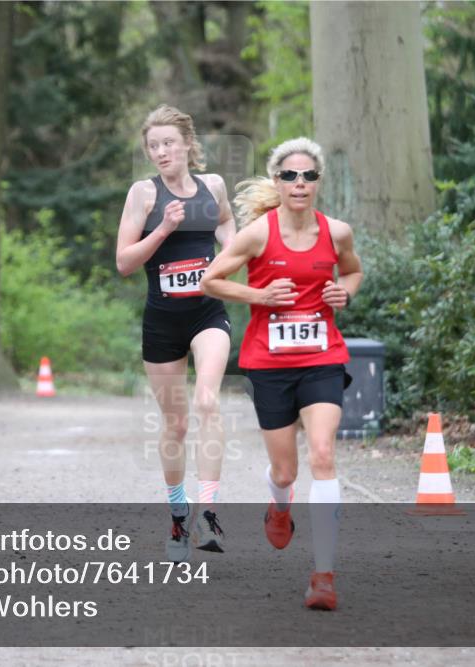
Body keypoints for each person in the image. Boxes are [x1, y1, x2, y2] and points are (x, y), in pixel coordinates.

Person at [200, 137, 363, 610]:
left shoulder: (337, 232)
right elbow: (211, 280)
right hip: (269, 363)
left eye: (308, 176)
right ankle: (280, 504)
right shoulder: (256, 234)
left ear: (318, 183)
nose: (299, 183)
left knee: (323, 454)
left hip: (322, 358)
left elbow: (352, 272)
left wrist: (344, 293)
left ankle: (324, 576)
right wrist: (260, 296)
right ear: (277, 180)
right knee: (285, 469)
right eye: (290, 175)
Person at [116, 105, 236, 561]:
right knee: (177, 422)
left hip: (207, 312)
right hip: (162, 321)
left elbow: (225, 221)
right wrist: (163, 229)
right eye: (153, 146)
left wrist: (231, 247)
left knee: (208, 400)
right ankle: (178, 516)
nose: (161, 152)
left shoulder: (214, 186)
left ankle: (209, 513)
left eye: (169, 143)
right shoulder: (143, 194)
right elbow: (125, 262)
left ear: (188, 143)